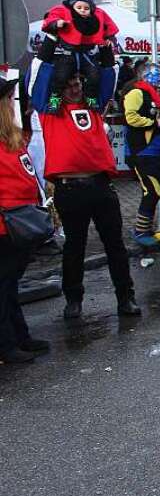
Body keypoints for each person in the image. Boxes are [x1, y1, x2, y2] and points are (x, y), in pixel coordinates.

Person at [30, 62, 140, 320]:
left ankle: (126, 297)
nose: (74, 89)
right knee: (74, 248)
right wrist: (53, 49)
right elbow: (41, 83)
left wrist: (102, 49)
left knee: (115, 246)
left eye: (77, 84)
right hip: (70, 189)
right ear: (60, 89)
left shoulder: (93, 106)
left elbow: (106, 75)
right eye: (68, 86)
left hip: (101, 186)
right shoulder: (51, 112)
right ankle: (73, 300)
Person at [0, 76, 51, 364]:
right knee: (3, 286)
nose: (11, 104)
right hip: (5, 224)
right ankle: (6, 343)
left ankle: (19, 335)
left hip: (19, 222)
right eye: (7, 100)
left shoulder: (12, 138)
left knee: (9, 285)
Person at [123, 64, 160, 246]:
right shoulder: (137, 93)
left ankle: (146, 229)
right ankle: (140, 231)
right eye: (157, 75)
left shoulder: (153, 93)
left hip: (153, 152)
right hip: (142, 151)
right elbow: (131, 117)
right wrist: (155, 123)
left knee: (154, 190)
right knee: (152, 191)